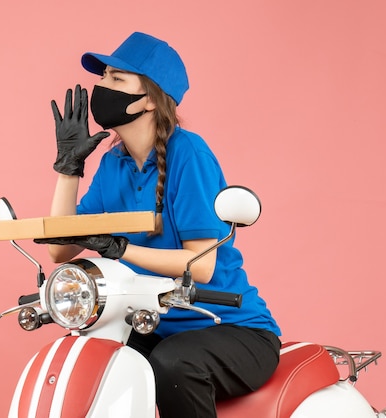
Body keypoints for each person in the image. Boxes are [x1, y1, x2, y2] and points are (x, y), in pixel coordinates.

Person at [35, 31, 282, 418]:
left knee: (173, 363)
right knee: (91, 356)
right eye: (103, 78)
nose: (101, 87)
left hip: (230, 327)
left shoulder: (190, 154)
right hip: (153, 324)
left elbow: (200, 265)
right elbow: (59, 249)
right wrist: (69, 169)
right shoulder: (113, 164)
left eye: (116, 79)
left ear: (149, 98)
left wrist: (121, 249)